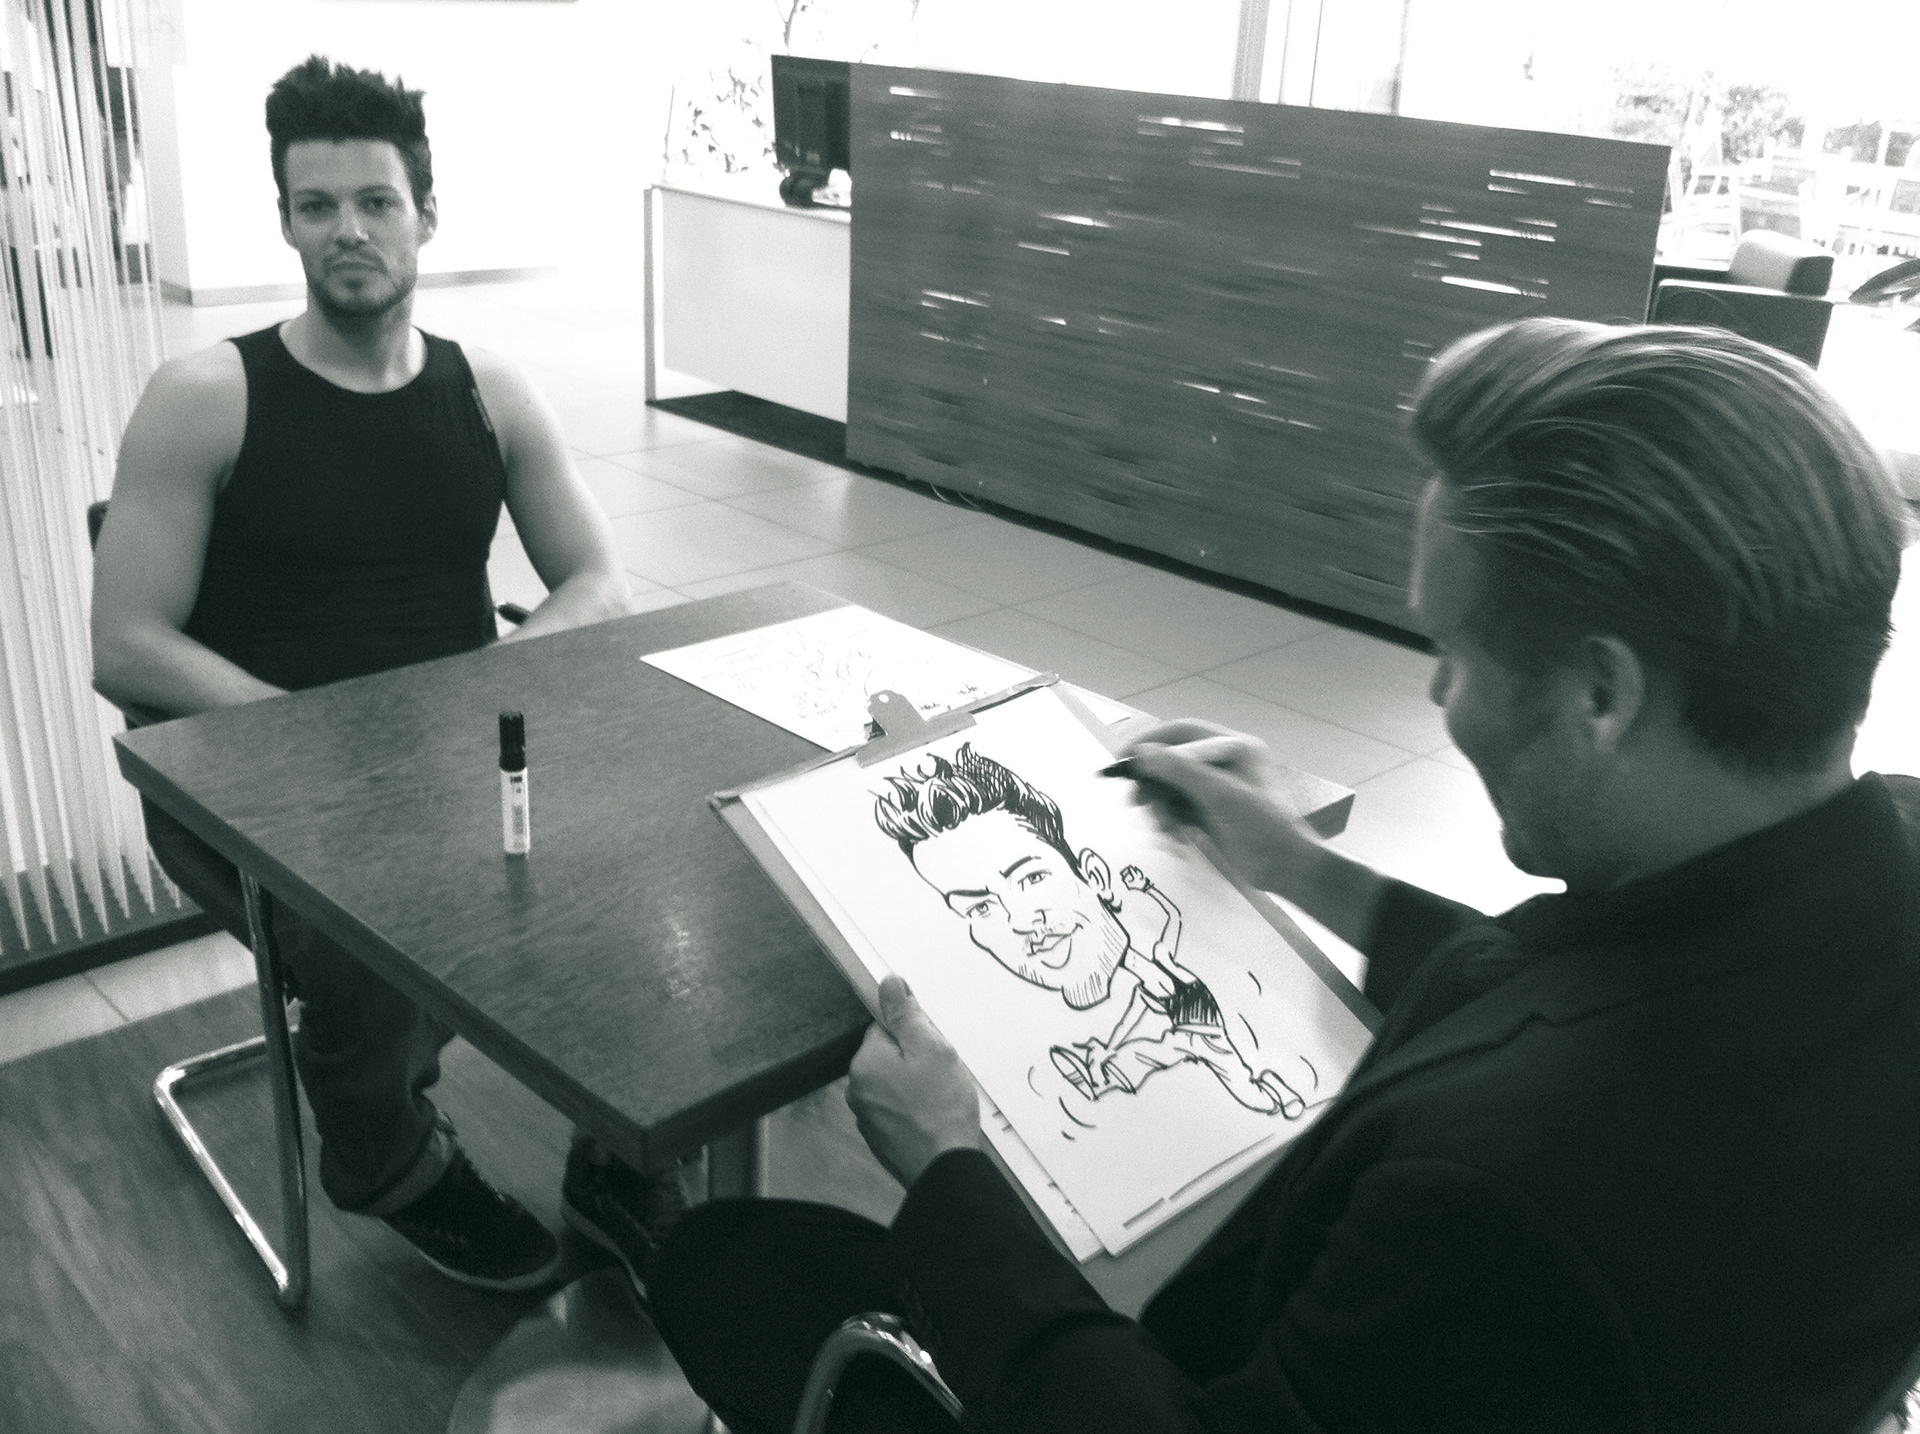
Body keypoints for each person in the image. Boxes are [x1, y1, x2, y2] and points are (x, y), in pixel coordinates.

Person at [639, 317, 1920, 1432]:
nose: (1437, 695)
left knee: (727, 1264)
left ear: (1602, 694)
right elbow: (1568, 985)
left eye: (1454, 653)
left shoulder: (1502, 1194)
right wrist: (1304, 871)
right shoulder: (1862, 891)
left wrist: (949, 1164)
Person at [92, 56, 675, 1293]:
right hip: (259, 775)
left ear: (426, 215)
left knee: (653, 841)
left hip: (455, 755)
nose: (348, 231)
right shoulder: (206, 397)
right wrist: (338, 734)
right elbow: (127, 644)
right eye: (318, 206)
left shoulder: (489, 390)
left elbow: (596, 583)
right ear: (287, 222)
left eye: (375, 202)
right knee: (377, 905)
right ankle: (385, 1158)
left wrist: (474, 697)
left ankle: (623, 1145)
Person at [874, 743, 1308, 1114]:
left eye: (1033, 878)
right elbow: (1143, 1008)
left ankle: (1275, 1098)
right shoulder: (1150, 977)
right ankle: (1104, 1070)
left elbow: (1157, 984)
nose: (1023, 923)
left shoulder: (1178, 972)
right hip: (1187, 1032)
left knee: (1228, 1076)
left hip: (1203, 1034)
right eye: (981, 907)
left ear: (1096, 878)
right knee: (1162, 1055)